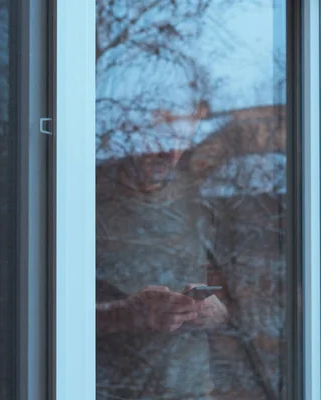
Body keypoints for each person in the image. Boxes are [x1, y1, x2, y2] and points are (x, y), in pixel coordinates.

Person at [95, 105, 228, 400]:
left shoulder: (197, 203)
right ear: (127, 131)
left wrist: (214, 313)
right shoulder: (76, 196)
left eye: (182, 142)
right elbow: (37, 318)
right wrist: (123, 315)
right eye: (161, 138)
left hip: (191, 390)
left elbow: (235, 302)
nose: (172, 154)